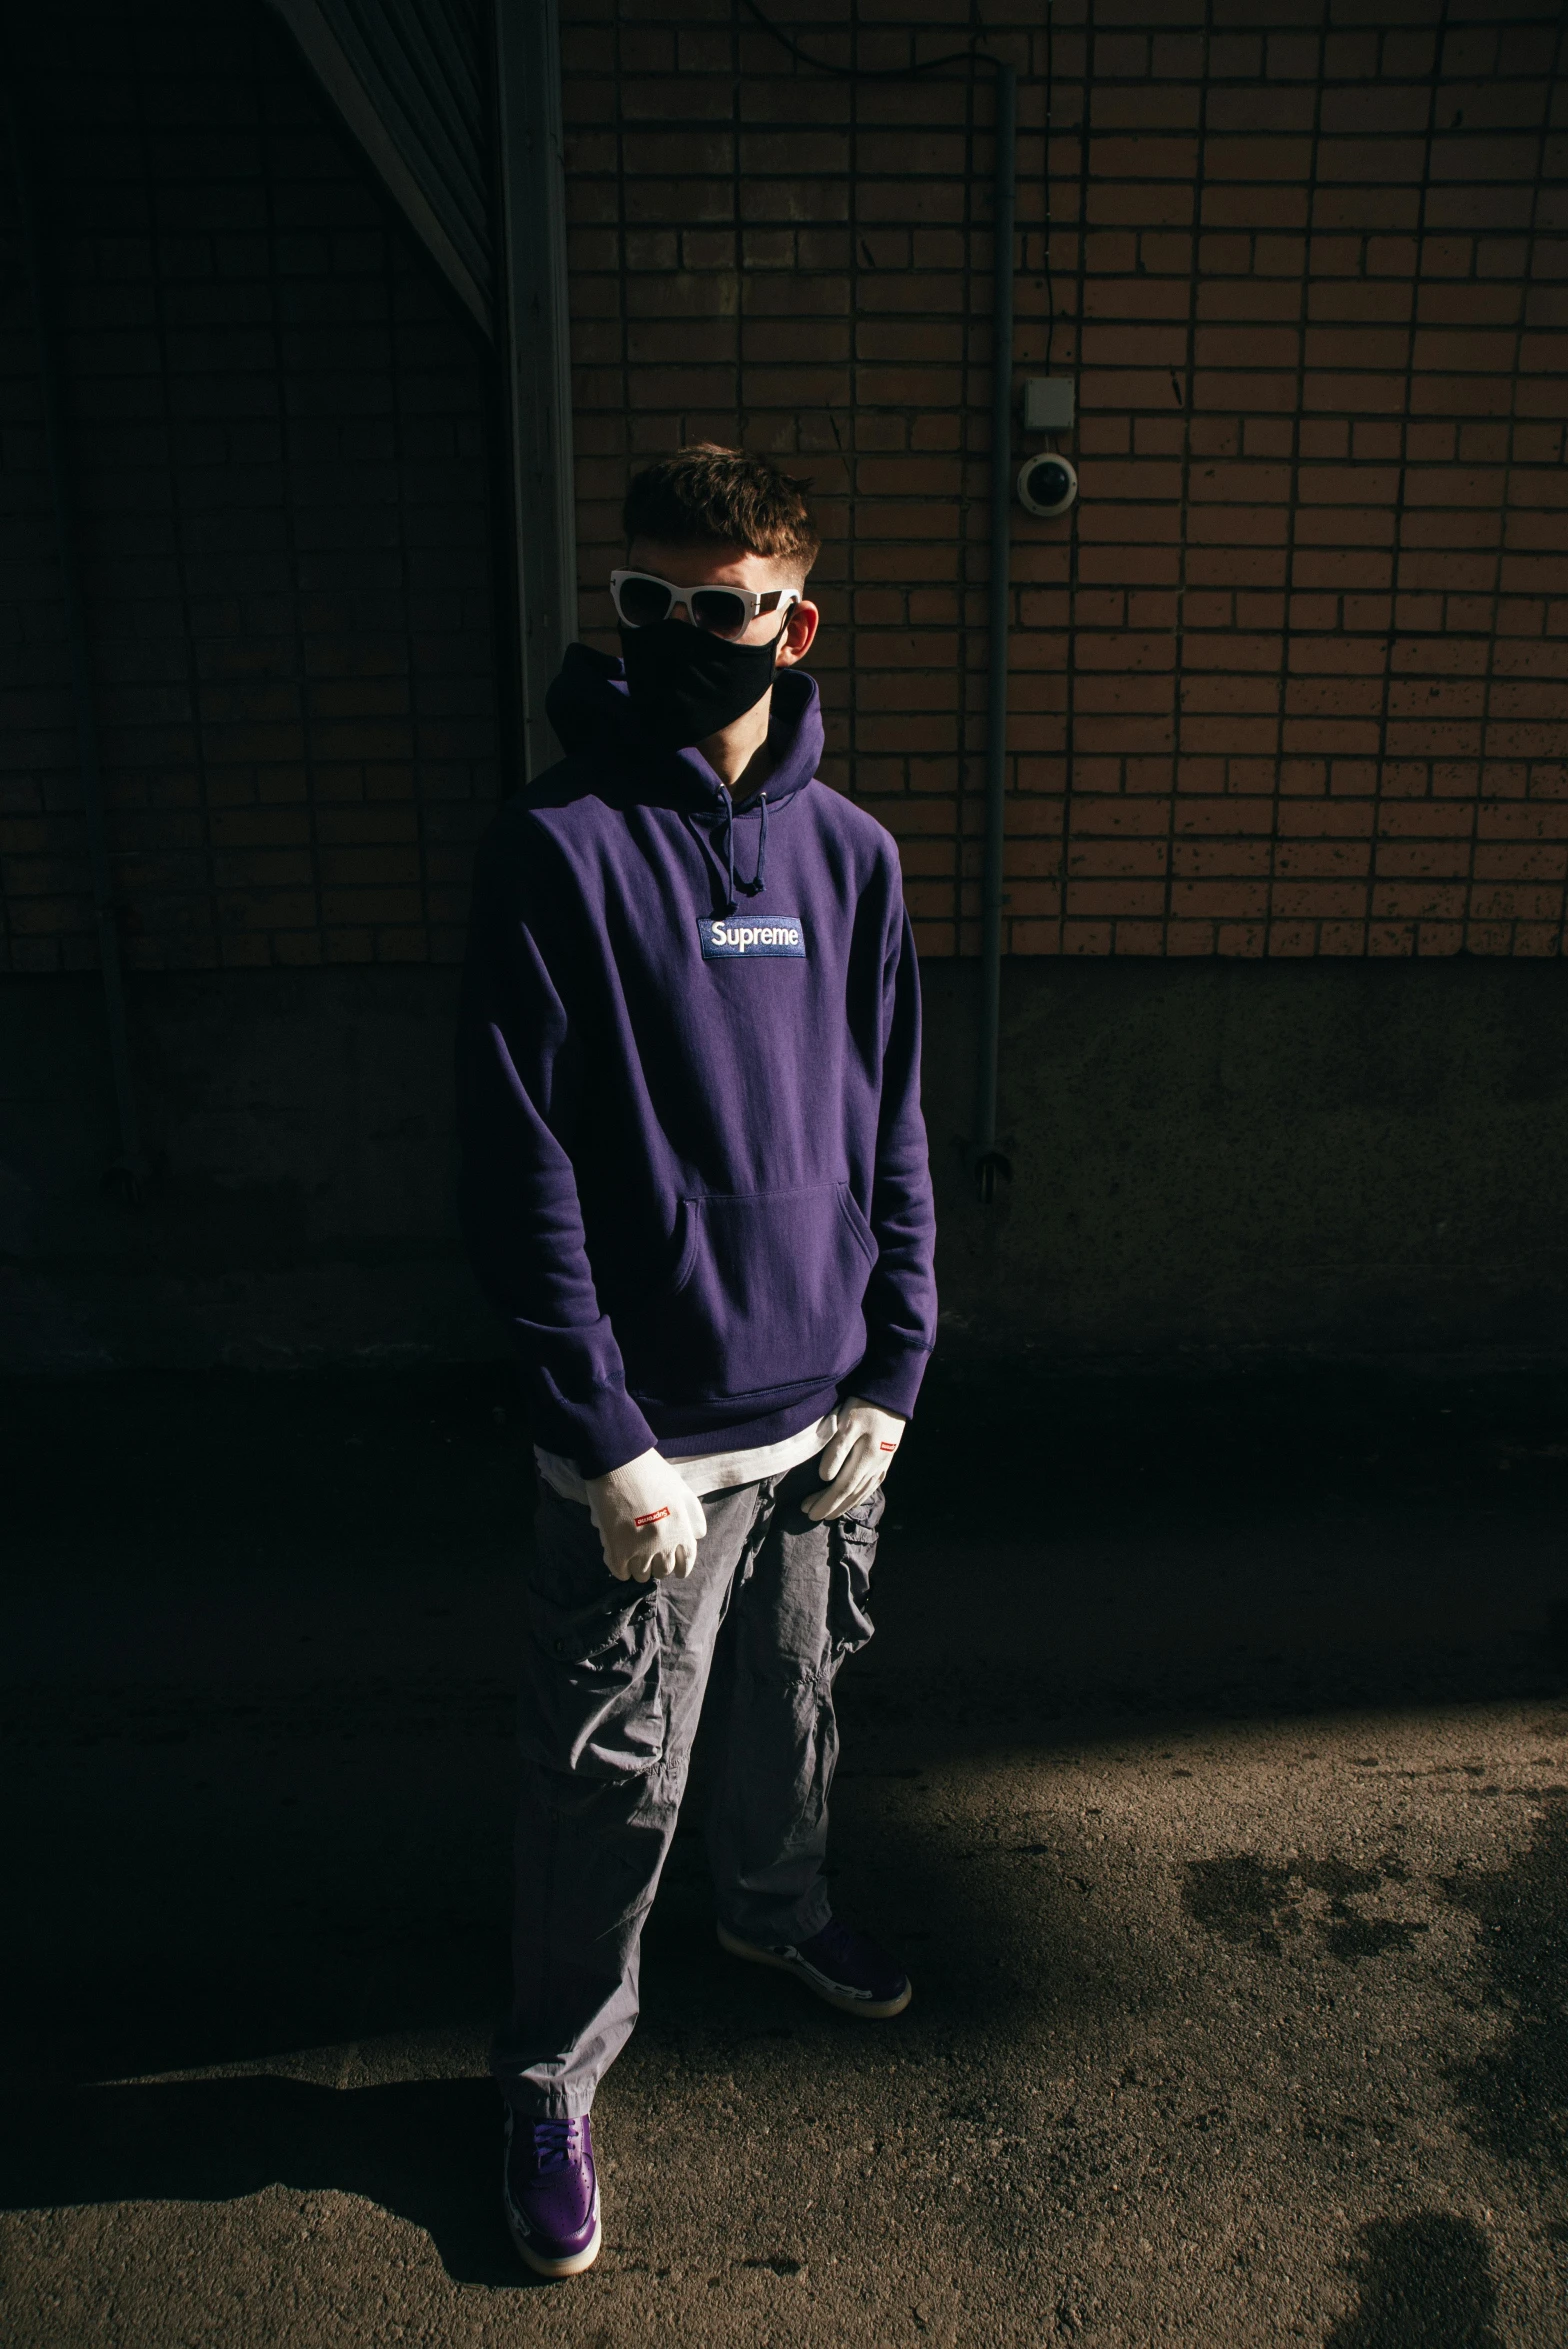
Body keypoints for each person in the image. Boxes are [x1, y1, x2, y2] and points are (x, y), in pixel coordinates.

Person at [456, 444, 937, 2279]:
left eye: (713, 609)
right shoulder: (558, 847)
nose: (671, 637)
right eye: (644, 604)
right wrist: (601, 1435)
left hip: (819, 1411)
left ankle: (775, 1914)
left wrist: (897, 1364)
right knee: (609, 1772)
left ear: (792, 623)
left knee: (793, 1717)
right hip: (650, 1444)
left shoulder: (850, 857)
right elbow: (521, 1167)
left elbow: (890, 1117)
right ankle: (550, 2081)